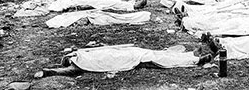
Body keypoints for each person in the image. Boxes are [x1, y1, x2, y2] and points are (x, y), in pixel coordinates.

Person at [34, 42, 216, 78]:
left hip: (128, 52)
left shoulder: (81, 53)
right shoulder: (80, 64)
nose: (69, 59)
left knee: (155, 53)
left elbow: (107, 48)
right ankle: (194, 60)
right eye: (68, 60)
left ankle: (190, 55)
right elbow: (66, 71)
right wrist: (47, 72)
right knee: (155, 59)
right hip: (128, 59)